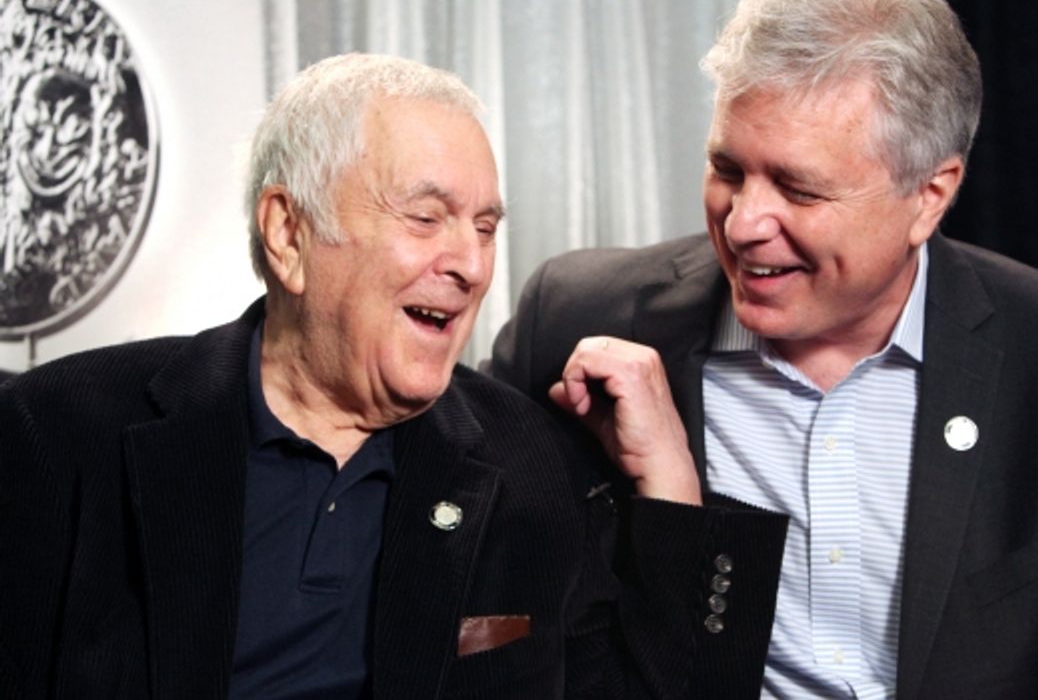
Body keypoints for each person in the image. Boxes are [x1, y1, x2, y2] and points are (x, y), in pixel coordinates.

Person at [489, 0, 1038, 699]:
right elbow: (475, 602)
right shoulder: (577, 319)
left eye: (799, 189)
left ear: (929, 194)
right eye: (728, 170)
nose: (743, 222)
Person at [0, 53, 766, 699]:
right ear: (289, 234)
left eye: (486, 227)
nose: (469, 264)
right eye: (426, 218)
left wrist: (670, 484)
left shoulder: (528, 462)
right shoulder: (60, 433)